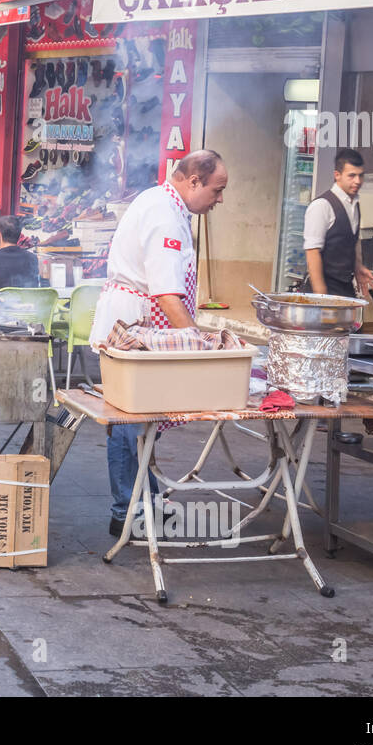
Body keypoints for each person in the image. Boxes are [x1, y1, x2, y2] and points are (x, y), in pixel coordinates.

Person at [88, 150, 229, 538]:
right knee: (128, 424)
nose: (220, 200)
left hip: (134, 322)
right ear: (194, 181)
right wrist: (200, 348)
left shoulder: (165, 203)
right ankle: (126, 511)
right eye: (217, 190)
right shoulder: (164, 213)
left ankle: (146, 500)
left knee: (141, 423)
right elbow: (168, 296)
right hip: (133, 324)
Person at [304, 148, 373, 299]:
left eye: (360, 175)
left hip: (345, 287)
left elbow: (349, 242)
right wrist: (321, 297)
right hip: (323, 288)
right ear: (337, 175)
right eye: (352, 176)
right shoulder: (322, 206)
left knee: (349, 323)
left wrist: (357, 267)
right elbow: (312, 252)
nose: (358, 181)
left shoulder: (354, 204)